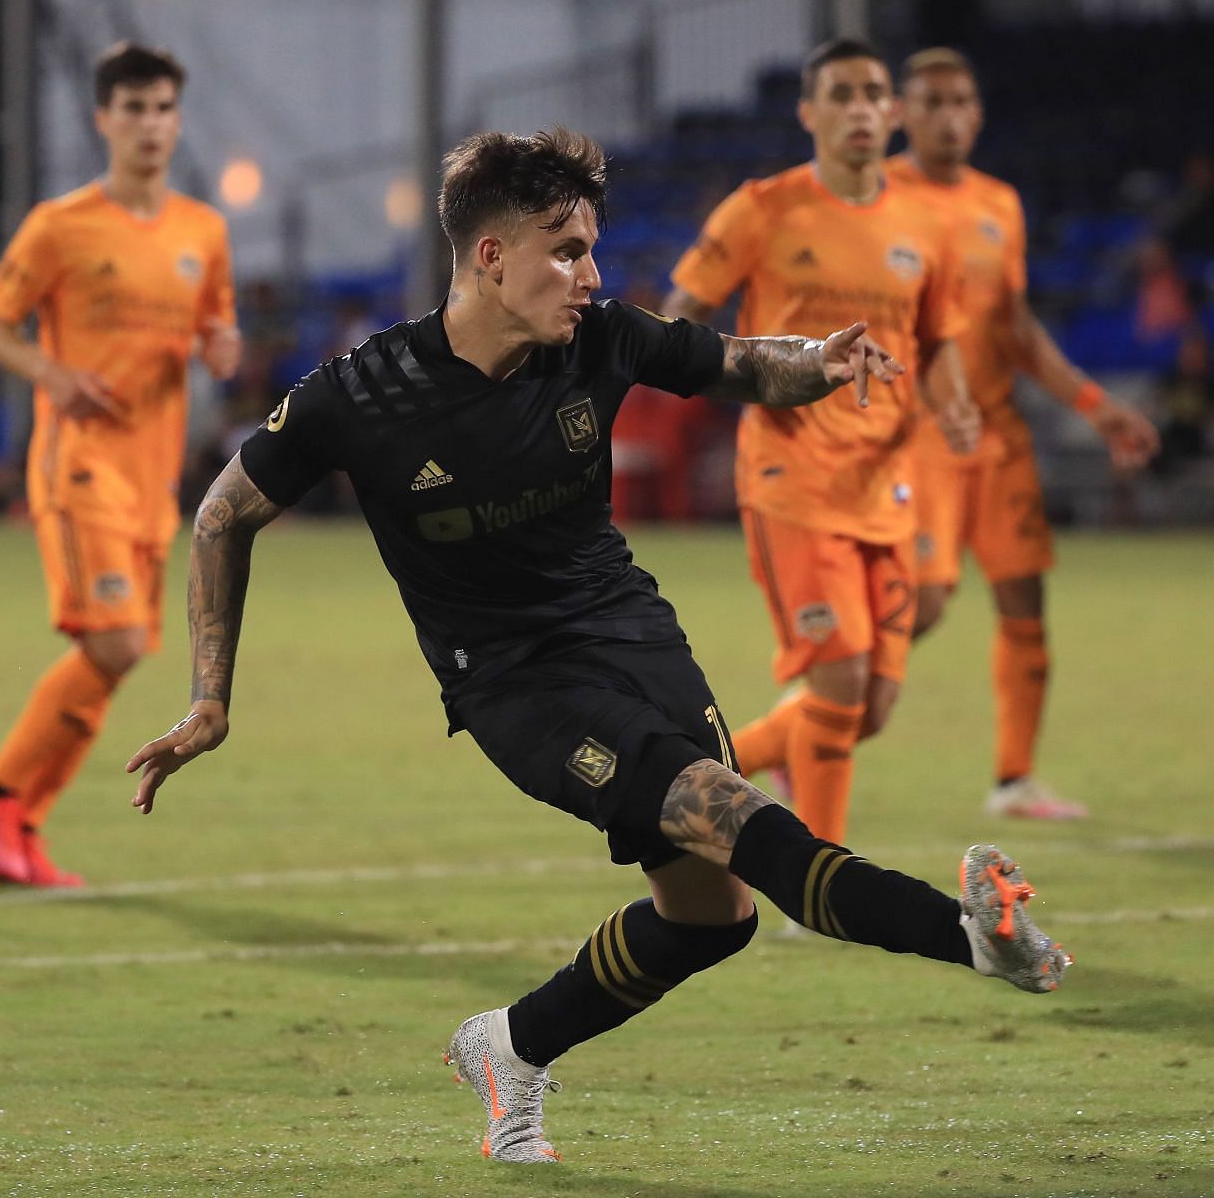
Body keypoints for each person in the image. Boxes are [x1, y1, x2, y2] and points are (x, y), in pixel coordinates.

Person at [124, 127, 1070, 1165]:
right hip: (517, 685)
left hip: (632, 630)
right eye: (566, 248)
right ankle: (975, 936)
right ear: (491, 256)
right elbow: (222, 514)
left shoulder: (601, 336)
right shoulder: (365, 393)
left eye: (592, 247)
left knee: (713, 916)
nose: (591, 273)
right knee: (742, 820)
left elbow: (738, 364)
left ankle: (510, 1043)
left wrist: (823, 360)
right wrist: (210, 694)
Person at [662, 39, 980, 846]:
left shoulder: (927, 226)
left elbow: (936, 343)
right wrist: (741, 380)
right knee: (838, 681)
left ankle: (694, 785)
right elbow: (676, 323)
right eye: (840, 94)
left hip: (888, 482)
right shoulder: (762, 210)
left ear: (895, 112)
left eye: (875, 92)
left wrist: (955, 406)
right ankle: (820, 878)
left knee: (867, 705)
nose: (861, 107)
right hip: (791, 474)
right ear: (809, 114)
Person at [0, 42, 239, 886]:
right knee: (114, 643)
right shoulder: (61, 226)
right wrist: (51, 373)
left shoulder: (203, 231)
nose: (149, 124)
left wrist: (222, 346)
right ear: (103, 120)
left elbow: (217, 331)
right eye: (133, 109)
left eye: (162, 109)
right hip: (78, 466)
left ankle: (19, 822)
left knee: (117, 654)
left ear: (175, 120)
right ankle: (0, 793)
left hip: (153, 479)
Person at [886, 47, 1159, 819]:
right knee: (927, 603)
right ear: (903, 113)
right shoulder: (881, 197)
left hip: (999, 435)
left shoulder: (998, 203)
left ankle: (1014, 780)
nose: (948, 117)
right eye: (932, 102)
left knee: (1024, 599)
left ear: (978, 113)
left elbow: (1013, 325)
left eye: (961, 101)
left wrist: (1093, 402)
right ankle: (815, 723)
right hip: (922, 432)